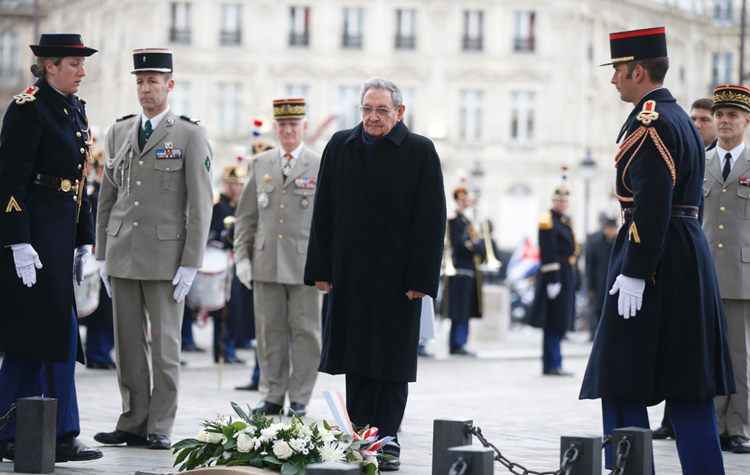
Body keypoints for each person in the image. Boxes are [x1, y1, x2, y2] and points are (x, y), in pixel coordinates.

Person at [579, 27, 734, 474]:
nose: (613, 81)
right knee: (689, 384)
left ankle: (629, 469)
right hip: (685, 253)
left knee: (621, 378)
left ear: (638, 71)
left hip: (655, 256)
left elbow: (651, 202)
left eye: (618, 72)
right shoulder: (680, 116)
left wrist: (635, 269)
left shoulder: (651, 120)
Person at [304, 78, 446, 471]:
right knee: (355, 359)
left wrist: (422, 280)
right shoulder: (340, 146)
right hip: (349, 275)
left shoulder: (420, 151)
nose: (373, 117)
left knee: (391, 363)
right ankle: (359, 434)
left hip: (398, 282)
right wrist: (320, 269)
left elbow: (432, 220)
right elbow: (324, 211)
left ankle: (387, 437)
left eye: (382, 110)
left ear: (399, 113)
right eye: (367, 109)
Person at [93, 48, 213, 450]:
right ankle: (132, 419)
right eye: (141, 82)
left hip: (166, 261)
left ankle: (160, 423)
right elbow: (107, 198)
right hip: (124, 253)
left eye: (154, 82)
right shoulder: (120, 131)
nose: (146, 89)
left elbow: (200, 203)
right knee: (127, 347)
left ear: (170, 85)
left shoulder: (189, 135)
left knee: (164, 348)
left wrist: (191, 262)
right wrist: (101, 253)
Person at [0, 33, 102, 462]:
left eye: (82, 63)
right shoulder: (28, 109)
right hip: (35, 236)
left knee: (60, 335)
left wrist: (83, 241)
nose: (82, 70)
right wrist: (17, 239)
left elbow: (77, 184)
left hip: (60, 235)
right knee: (29, 337)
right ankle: (10, 428)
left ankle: (60, 430)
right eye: (74, 63)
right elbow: (11, 179)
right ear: (49, 66)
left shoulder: (72, 108)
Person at [234, 98, 322, 417]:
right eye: (282, 125)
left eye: (293, 125)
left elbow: (328, 220)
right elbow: (246, 216)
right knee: (269, 331)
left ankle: (299, 397)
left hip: (304, 265)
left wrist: (326, 265)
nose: (287, 131)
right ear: (275, 128)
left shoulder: (318, 163)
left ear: (304, 128)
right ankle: (272, 394)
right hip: (266, 262)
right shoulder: (261, 164)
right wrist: (242, 258)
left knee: (306, 333)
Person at [652, 96, 719, 440]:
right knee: (679, 341)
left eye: (704, 119)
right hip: (688, 256)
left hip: (716, 261)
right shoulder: (686, 151)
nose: (698, 124)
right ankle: (672, 418)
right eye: (694, 118)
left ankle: (728, 424)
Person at [702, 84, 750, 454]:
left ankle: (738, 426)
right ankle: (712, 423)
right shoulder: (699, 162)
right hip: (703, 273)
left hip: (741, 274)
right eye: (720, 115)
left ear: (746, 120)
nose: (724, 121)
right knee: (706, 352)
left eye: (732, 115)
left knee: (738, 356)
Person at [527, 173, 577, 376]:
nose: (562, 203)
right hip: (554, 276)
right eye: (559, 200)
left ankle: (554, 363)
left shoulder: (564, 221)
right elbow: (549, 252)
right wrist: (553, 280)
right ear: (553, 201)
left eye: (565, 200)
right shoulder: (547, 221)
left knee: (559, 321)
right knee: (553, 322)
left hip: (565, 275)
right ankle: (552, 363)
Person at [207, 164, 249, 365]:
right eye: (232, 184)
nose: (236, 188)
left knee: (236, 309)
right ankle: (222, 349)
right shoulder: (218, 207)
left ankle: (230, 347)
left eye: (240, 184)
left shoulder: (239, 207)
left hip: (237, 263)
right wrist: (224, 237)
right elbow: (212, 236)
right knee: (224, 309)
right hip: (222, 261)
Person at [83, 149, 116, 369]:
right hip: (98, 256)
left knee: (109, 310)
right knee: (100, 309)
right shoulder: (93, 194)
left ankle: (103, 351)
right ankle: (97, 352)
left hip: (112, 255)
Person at [445, 187, 482, 356]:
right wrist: (474, 246)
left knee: (465, 309)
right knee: (459, 309)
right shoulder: (455, 220)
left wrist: (476, 246)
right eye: (463, 199)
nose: (466, 202)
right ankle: (456, 343)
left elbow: (476, 245)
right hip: (459, 268)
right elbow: (459, 245)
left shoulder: (467, 221)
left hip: (469, 269)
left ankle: (462, 341)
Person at [584, 213, 617, 341]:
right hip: (598, 281)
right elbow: (589, 265)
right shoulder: (594, 241)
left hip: (613, 281)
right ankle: (594, 335)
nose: (611, 231)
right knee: (596, 309)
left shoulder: (618, 241)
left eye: (613, 229)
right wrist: (590, 286)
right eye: (609, 228)